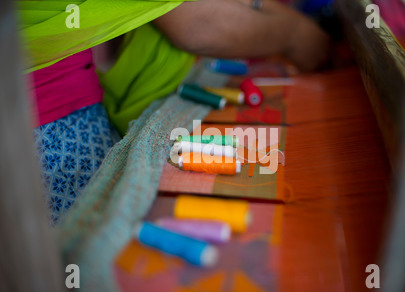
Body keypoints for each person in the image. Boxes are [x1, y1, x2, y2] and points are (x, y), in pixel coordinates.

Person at [22, 0, 331, 223]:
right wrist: (296, 35)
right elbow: (196, 23)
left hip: (44, 115)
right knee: (105, 237)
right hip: (46, 132)